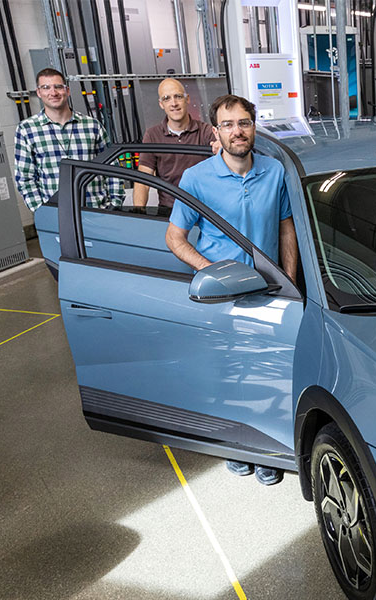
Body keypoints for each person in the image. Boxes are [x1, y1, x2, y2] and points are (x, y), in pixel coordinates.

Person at [165, 94, 298, 485]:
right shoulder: (196, 178)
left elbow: (286, 228)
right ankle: (233, 446)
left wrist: (288, 282)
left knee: (267, 373)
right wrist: (214, 271)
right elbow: (175, 237)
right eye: (227, 125)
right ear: (215, 131)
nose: (237, 131)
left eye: (244, 123)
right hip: (221, 296)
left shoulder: (274, 171)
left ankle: (266, 449)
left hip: (268, 291)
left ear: (254, 126)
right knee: (225, 373)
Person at [14, 68, 122, 211]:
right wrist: (42, 211)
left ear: (67, 90)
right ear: (39, 93)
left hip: (98, 211)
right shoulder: (27, 129)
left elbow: (112, 167)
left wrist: (115, 204)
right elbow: (25, 178)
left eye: (58, 86)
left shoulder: (92, 125)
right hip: (57, 215)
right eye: (46, 87)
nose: (53, 93)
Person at [133, 78, 217, 209]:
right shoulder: (152, 135)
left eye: (178, 96)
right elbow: (143, 181)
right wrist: (138, 213)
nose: (174, 103)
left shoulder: (206, 131)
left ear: (187, 99)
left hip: (204, 210)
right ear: (161, 104)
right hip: (169, 211)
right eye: (167, 98)